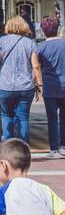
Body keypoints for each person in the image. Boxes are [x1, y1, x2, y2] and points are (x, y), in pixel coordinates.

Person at [0, 16, 43, 144]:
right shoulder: (30, 43)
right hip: (25, 87)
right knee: (23, 117)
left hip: (5, 85)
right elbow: (36, 66)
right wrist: (39, 85)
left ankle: (8, 144)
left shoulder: (2, 41)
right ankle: (24, 146)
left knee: (6, 115)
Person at [38, 17, 65, 157]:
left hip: (50, 87)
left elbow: (38, 67)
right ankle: (63, 146)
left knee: (52, 119)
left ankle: (54, 148)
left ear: (43, 31)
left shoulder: (41, 47)